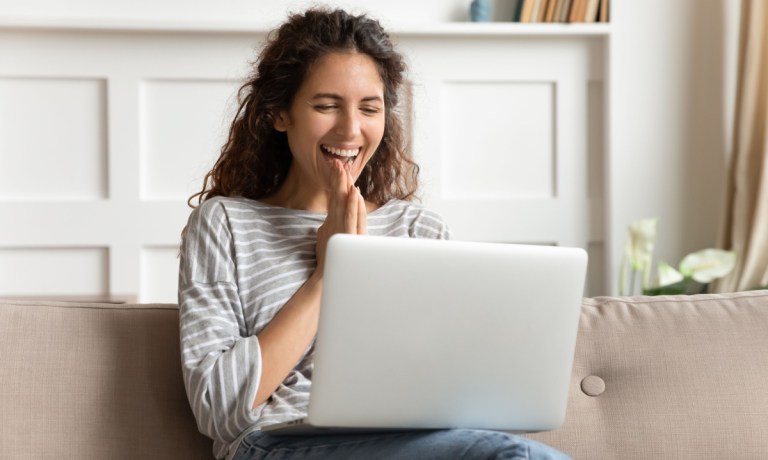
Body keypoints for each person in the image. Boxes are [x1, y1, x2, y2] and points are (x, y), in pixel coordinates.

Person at [178, 7, 571, 460]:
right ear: (280, 114)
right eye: (326, 106)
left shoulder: (418, 230)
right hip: (273, 445)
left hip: (413, 441)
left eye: (369, 108)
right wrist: (331, 272)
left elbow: (445, 381)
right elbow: (218, 408)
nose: (350, 129)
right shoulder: (225, 224)